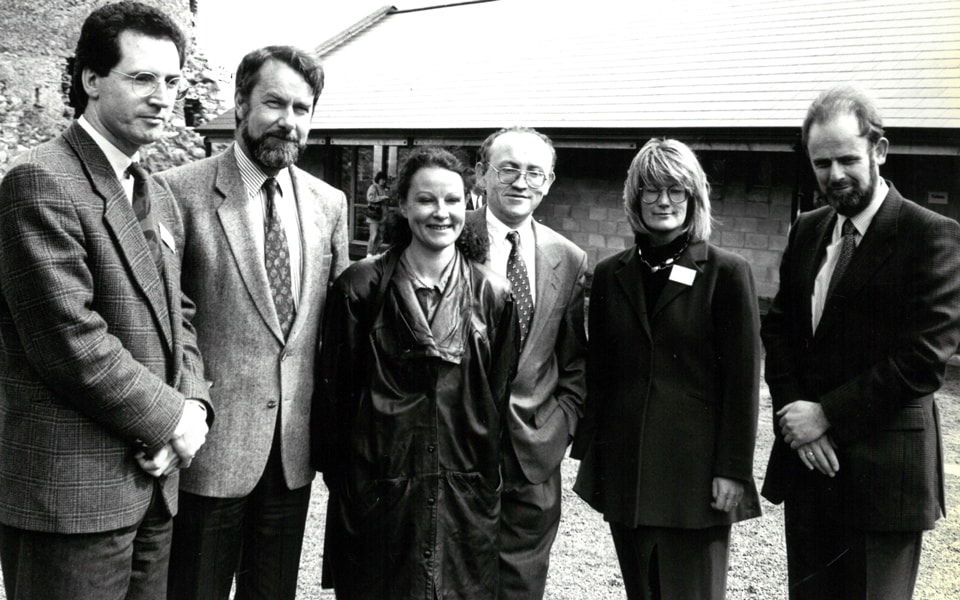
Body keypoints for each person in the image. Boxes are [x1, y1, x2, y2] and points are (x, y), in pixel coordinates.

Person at [0, 2, 212, 599]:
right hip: (71, 500)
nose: (163, 97)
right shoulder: (40, 180)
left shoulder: (155, 191)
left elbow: (182, 318)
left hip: (152, 488)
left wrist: (194, 407)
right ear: (91, 80)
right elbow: (71, 341)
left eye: (172, 81)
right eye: (142, 78)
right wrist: (172, 420)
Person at [156, 46, 349, 600]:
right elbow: (172, 321)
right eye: (273, 103)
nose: (288, 121)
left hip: (291, 453)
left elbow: (333, 331)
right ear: (240, 103)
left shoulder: (329, 203)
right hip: (207, 450)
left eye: (302, 108)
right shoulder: (177, 192)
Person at [761, 85, 960, 599]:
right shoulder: (807, 229)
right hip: (809, 469)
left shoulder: (930, 235)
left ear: (879, 150)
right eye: (821, 163)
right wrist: (795, 419)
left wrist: (825, 414)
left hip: (884, 480)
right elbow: (779, 328)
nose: (835, 176)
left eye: (847, 159)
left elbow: (922, 360)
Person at [313, 147, 520, 599]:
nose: (441, 213)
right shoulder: (361, 288)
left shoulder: (494, 295)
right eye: (426, 200)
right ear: (403, 206)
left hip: (463, 500)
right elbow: (334, 404)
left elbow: (496, 403)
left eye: (453, 200)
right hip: (379, 497)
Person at [571, 138, 762, 599]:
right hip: (628, 477)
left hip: (695, 481)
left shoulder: (727, 273)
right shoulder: (612, 274)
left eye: (676, 190)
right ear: (634, 198)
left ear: (694, 198)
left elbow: (743, 383)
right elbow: (600, 374)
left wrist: (733, 470)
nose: (663, 201)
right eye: (651, 190)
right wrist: (589, 460)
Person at [469, 126, 588, 599]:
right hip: (457, 452)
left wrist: (558, 430)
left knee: (521, 589)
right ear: (481, 174)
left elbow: (575, 363)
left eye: (534, 172)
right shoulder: (448, 238)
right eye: (508, 169)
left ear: (550, 182)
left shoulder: (568, 257)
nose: (521, 182)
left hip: (533, 457)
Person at [365, 171, 389, 256]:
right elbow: (370, 198)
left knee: (380, 236)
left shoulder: (385, 189)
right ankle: (369, 253)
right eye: (382, 179)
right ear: (378, 179)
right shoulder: (373, 187)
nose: (383, 181)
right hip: (374, 215)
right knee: (373, 235)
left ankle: (377, 252)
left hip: (383, 215)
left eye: (384, 180)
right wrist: (382, 197)